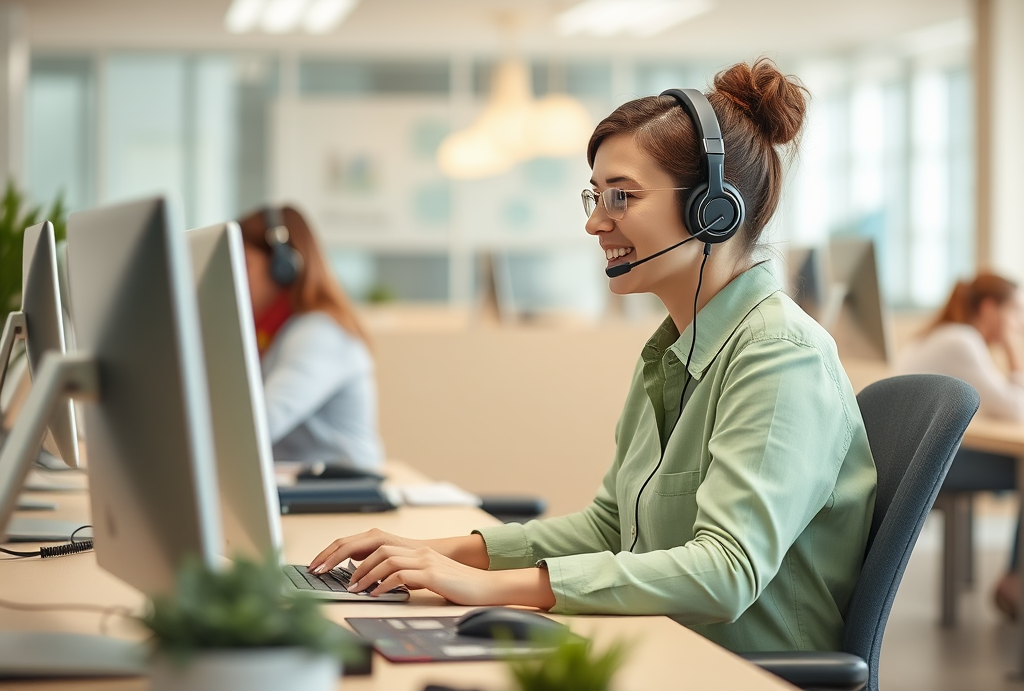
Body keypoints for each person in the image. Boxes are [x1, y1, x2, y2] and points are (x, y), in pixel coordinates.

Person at [307, 59, 878, 654]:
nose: (594, 222)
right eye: (595, 196)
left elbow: (725, 572)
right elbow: (611, 526)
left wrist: (491, 588)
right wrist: (442, 553)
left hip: (741, 669)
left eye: (622, 197)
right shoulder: (670, 351)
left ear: (712, 210)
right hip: (662, 644)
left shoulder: (781, 357)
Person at [895, 273, 1024, 618]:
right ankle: (1016, 580)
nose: (1019, 322)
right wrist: (1015, 356)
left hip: (909, 458)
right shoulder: (962, 340)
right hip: (925, 466)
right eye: (1014, 312)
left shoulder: (940, 336)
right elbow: (1015, 410)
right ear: (988, 308)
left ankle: (1015, 576)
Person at [238, 206, 385, 471]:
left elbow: (258, 425)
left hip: (344, 490)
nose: (233, 276)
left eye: (243, 264)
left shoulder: (321, 332)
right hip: (298, 481)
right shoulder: (270, 331)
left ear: (282, 268)